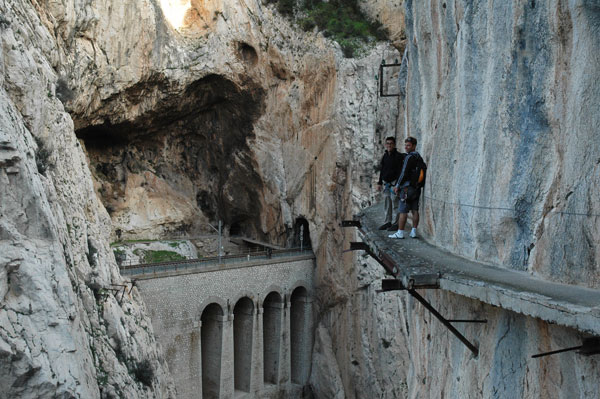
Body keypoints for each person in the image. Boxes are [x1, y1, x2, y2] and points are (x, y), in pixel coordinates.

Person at [388, 136, 425, 239]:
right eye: (405, 145)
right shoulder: (419, 157)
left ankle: (400, 232)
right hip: (416, 188)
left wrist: (397, 185)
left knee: (403, 210)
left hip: (407, 188)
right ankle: (413, 231)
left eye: (408, 145)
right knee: (415, 210)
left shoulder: (409, 157)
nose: (406, 147)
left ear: (414, 146)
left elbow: (403, 172)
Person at [376, 137, 404, 230]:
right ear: (386, 144)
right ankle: (388, 222)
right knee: (387, 203)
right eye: (387, 143)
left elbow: (401, 172)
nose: (389, 145)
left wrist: (398, 184)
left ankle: (396, 224)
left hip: (394, 183)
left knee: (395, 203)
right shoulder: (385, 156)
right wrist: (379, 182)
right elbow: (382, 170)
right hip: (386, 183)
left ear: (394, 144)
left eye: (391, 143)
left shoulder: (398, 156)